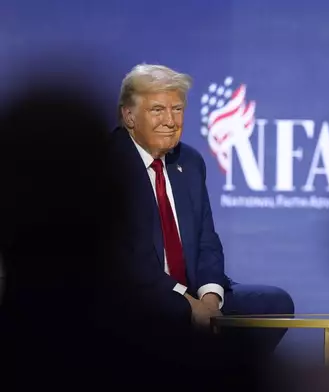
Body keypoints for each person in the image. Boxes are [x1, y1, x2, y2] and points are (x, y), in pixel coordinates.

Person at [109, 63, 294, 353]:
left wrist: (209, 298)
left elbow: (208, 241)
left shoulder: (190, 162)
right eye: (158, 110)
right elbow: (129, 262)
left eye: (178, 109)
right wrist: (187, 303)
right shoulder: (108, 164)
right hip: (141, 293)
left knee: (275, 304)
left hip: (195, 293)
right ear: (129, 116)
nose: (171, 121)